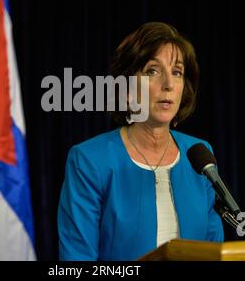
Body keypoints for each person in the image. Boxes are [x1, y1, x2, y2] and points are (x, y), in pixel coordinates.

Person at [57, 22, 224, 261]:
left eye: (177, 72)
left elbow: (212, 246)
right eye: (152, 71)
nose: (168, 84)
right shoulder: (90, 160)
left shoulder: (199, 155)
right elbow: (77, 258)